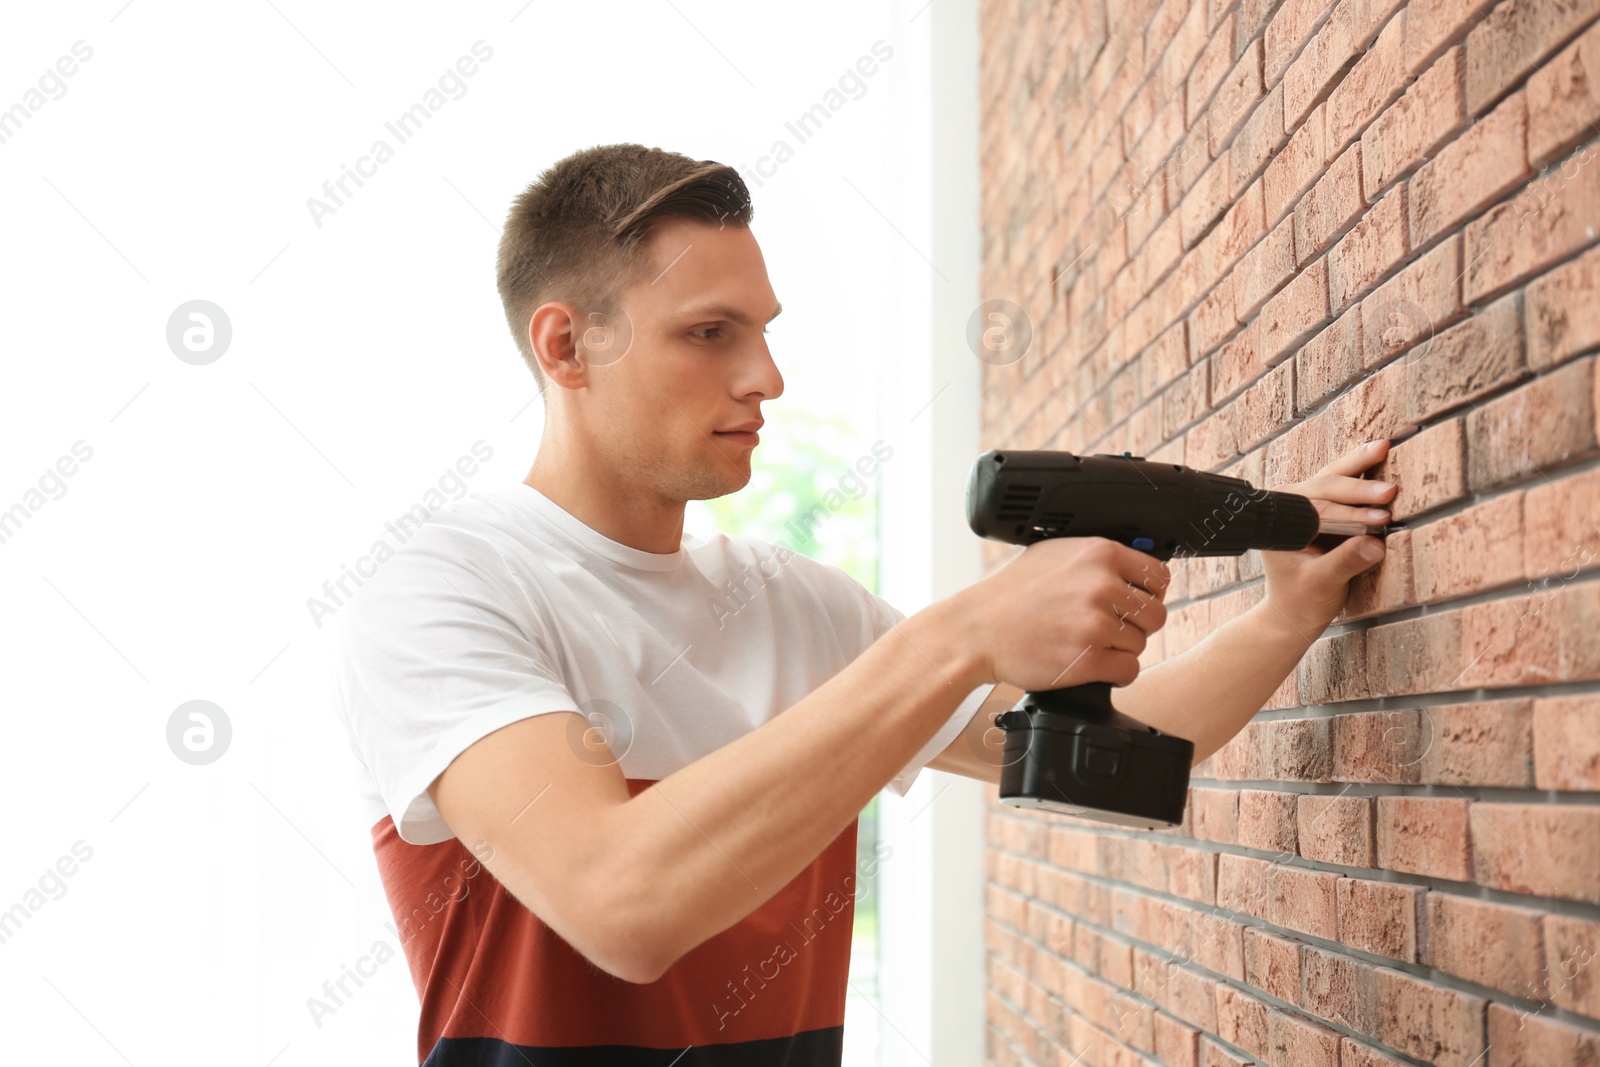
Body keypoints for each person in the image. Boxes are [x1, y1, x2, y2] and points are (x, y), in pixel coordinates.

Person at [325, 142, 1396, 1065]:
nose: (766, 376)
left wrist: (1286, 613)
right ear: (566, 345)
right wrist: (962, 633)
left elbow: (1119, 752)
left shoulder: (795, 607)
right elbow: (621, 902)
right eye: (710, 333)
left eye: (764, 329)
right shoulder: (446, 589)